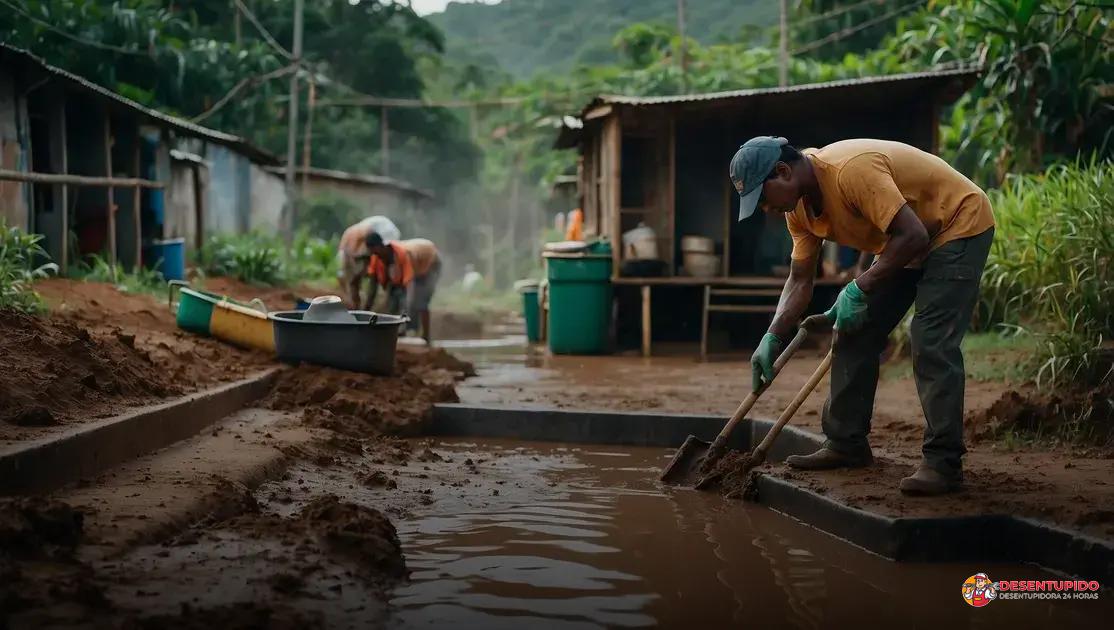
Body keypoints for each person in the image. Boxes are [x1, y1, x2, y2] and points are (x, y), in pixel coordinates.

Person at [730, 136, 995, 496]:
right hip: (906, 237)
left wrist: (857, 286)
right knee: (854, 327)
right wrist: (772, 335)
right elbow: (800, 279)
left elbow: (913, 235)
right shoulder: (798, 211)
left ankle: (943, 463)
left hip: (955, 224)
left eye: (762, 197)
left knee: (930, 339)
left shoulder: (849, 171)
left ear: (783, 171)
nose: (764, 209)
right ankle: (846, 443)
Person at [366, 233, 441, 344]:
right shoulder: (376, 257)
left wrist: (406, 315)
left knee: (420, 301)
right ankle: (398, 333)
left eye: (376, 251)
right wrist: (365, 311)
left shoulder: (402, 254)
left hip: (430, 261)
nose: (375, 254)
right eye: (373, 253)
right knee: (393, 301)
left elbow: (409, 288)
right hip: (415, 265)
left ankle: (425, 337)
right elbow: (373, 286)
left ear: (381, 246)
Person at [337, 216, 401, 309]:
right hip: (359, 252)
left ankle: (378, 305)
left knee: (369, 280)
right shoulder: (350, 244)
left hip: (369, 248)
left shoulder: (366, 234)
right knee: (355, 281)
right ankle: (358, 307)